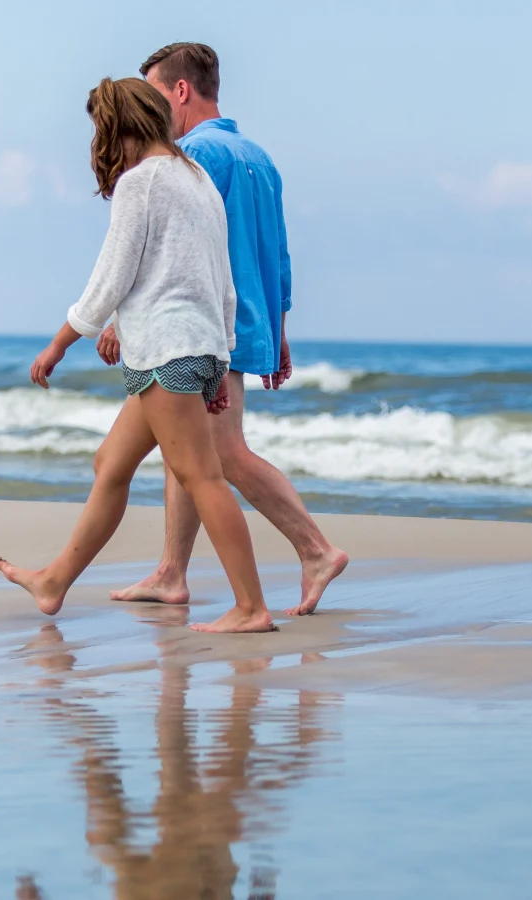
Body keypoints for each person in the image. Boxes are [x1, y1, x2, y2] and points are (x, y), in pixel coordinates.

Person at [0, 76, 276, 634]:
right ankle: (53, 583)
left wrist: (58, 343)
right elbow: (223, 283)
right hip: (187, 351)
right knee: (112, 464)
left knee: (202, 476)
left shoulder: (141, 183)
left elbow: (111, 277)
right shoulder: (196, 180)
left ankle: (251, 608)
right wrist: (219, 359)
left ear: (119, 127)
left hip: (167, 353)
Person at [98, 43, 348, 617]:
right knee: (184, 451)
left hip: (208, 324)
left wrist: (115, 316)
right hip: (249, 320)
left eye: (156, 95)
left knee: (222, 454)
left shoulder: (191, 154)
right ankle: (171, 572)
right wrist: (279, 331)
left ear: (180, 91)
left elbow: (170, 246)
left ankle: (315, 550)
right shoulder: (258, 156)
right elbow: (277, 255)